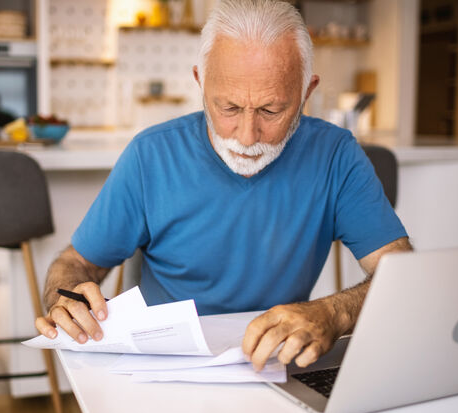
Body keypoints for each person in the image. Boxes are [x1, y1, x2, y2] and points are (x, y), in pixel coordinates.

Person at [34, 0, 411, 371]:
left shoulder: (335, 154)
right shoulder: (151, 155)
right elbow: (76, 263)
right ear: (200, 81)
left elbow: (402, 273)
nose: (247, 138)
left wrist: (334, 313)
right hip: (164, 368)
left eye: (271, 110)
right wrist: (63, 298)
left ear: (306, 92)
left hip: (274, 366)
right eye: (228, 108)